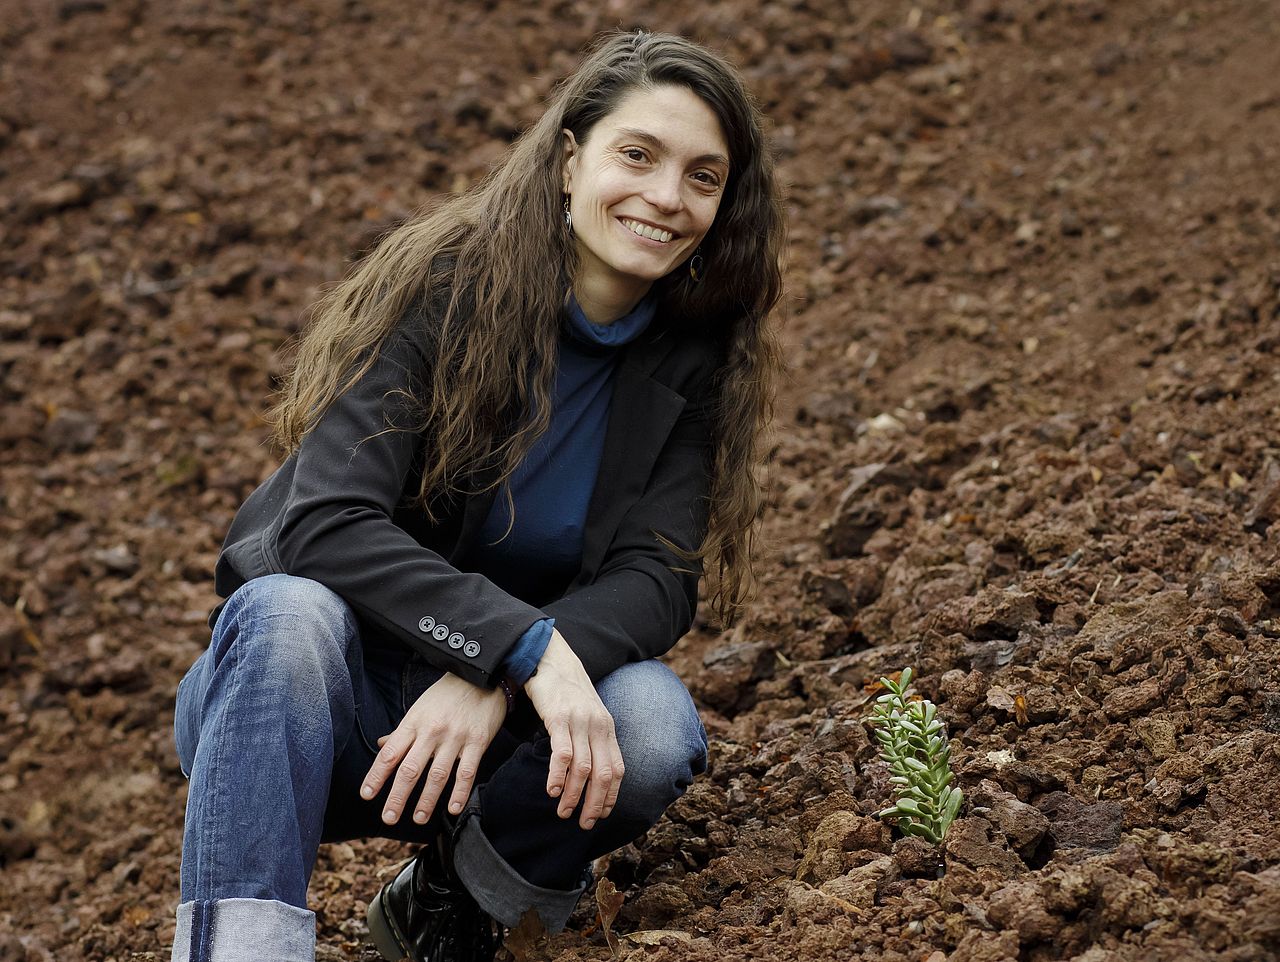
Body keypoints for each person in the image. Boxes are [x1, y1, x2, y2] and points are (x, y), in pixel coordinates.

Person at [170, 28, 783, 962]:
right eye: (638, 154)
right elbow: (325, 525)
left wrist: (498, 678)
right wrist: (520, 645)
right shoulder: (446, 286)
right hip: (310, 700)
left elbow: (659, 577)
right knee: (286, 610)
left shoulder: (696, 351)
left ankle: (449, 904)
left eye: (704, 177)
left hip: (497, 721)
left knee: (654, 726)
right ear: (570, 160)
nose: (666, 197)